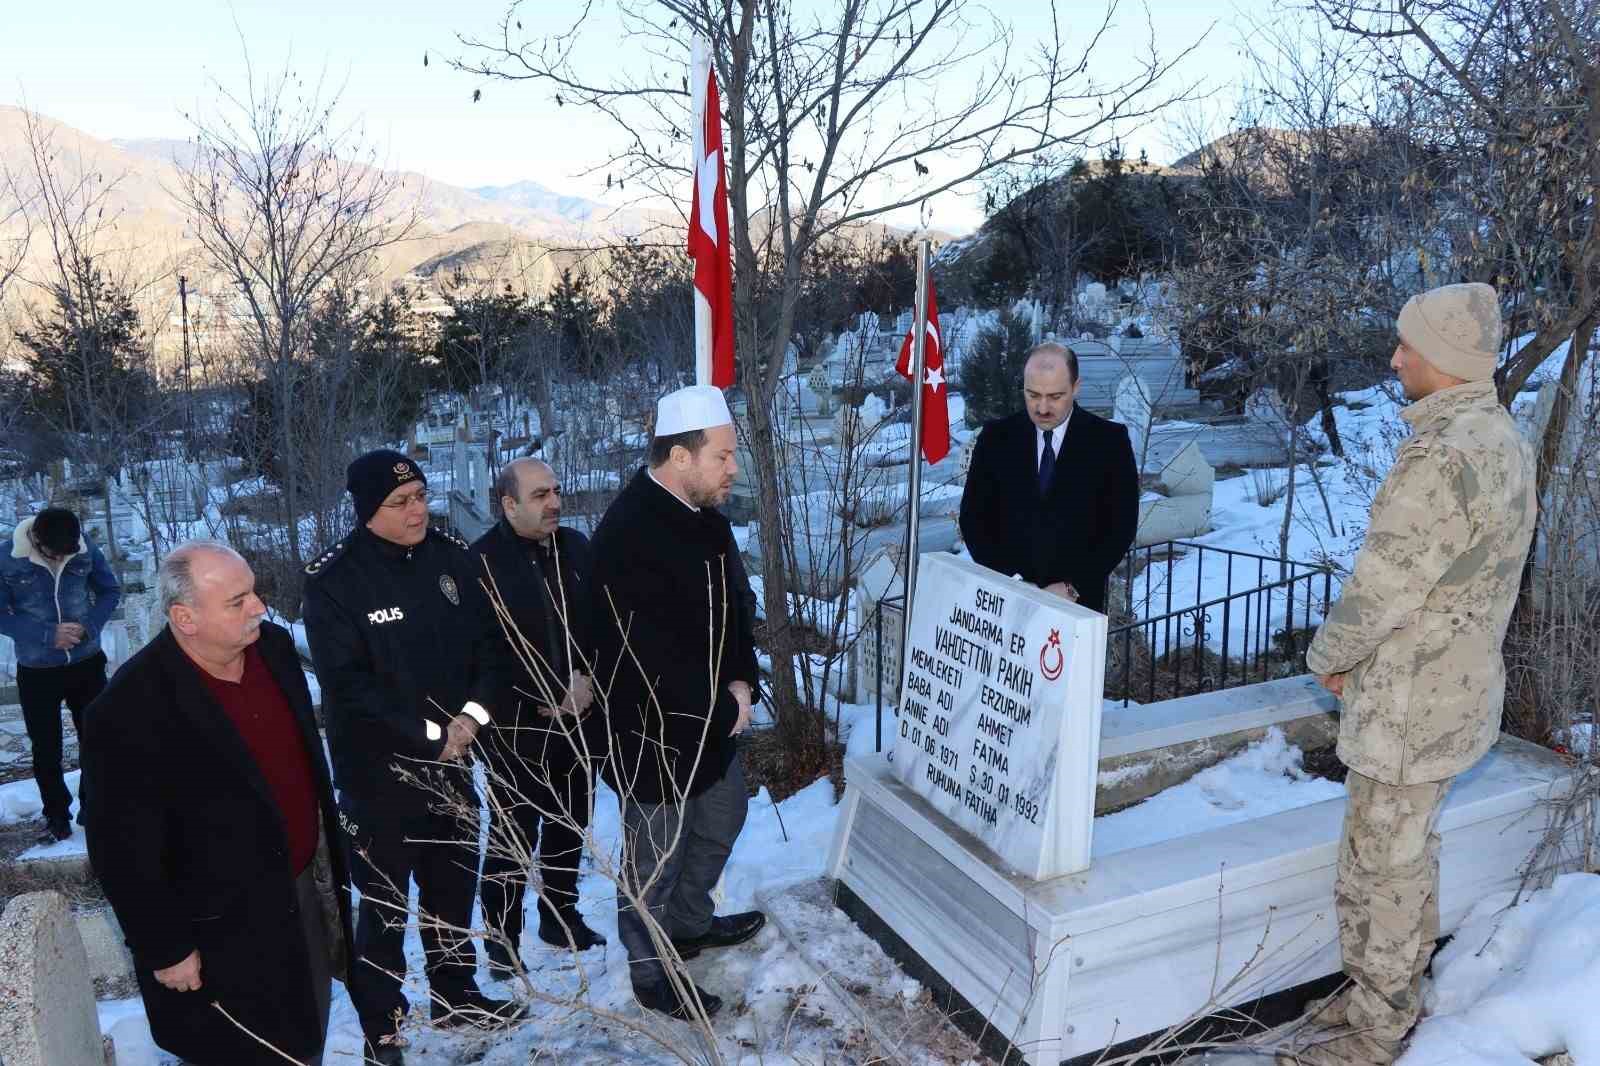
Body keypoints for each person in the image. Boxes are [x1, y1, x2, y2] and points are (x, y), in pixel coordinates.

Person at [1291, 283, 1536, 1066]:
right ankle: (1382, 992)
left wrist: (1329, 658)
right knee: (1405, 850)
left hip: (1408, 701)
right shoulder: (1501, 435)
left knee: (1383, 863)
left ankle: (1376, 1029)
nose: (1396, 358)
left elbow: (1381, 586)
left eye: (1410, 347)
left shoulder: (1443, 457)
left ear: (1448, 360)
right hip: (1452, 693)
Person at [81, 542, 350, 1066]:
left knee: (304, 1036)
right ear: (185, 618)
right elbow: (120, 847)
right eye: (238, 601)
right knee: (241, 1051)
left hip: (297, 896)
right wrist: (165, 947)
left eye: (254, 592)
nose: (260, 608)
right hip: (213, 931)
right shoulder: (128, 708)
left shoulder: (272, 651)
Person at [301, 450, 521, 1066]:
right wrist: (434, 735)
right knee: (385, 909)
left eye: (421, 495)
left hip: (454, 761)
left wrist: (470, 723)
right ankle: (384, 1028)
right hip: (380, 777)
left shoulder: (452, 560)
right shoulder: (334, 582)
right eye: (401, 502)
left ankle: (456, 993)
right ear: (368, 509)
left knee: (453, 889)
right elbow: (351, 688)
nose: (417, 509)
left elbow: (490, 652)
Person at [590, 384, 767, 1021]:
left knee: (722, 819)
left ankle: (690, 925)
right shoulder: (627, 534)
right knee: (653, 861)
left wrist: (744, 680)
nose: (733, 468)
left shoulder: (708, 519)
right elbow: (642, 655)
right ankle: (650, 972)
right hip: (652, 737)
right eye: (722, 456)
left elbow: (736, 612)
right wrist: (724, 708)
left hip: (717, 721)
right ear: (682, 456)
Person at [472, 457, 607, 977]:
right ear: (509, 505)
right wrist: (546, 694)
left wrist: (588, 680)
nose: (554, 502)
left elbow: (602, 623)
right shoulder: (481, 564)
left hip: (580, 718)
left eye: (556, 490)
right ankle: (502, 941)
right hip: (515, 728)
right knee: (512, 837)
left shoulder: (575, 548)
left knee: (570, 822)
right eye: (539, 495)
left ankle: (560, 916)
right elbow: (481, 653)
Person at [959, 341, 1140, 613]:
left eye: (1055, 396)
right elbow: (974, 520)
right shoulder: (996, 439)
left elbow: (1120, 527)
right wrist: (1014, 581)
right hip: (1008, 603)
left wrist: (1072, 585)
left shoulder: (1109, 442)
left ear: (1076, 387)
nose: (1042, 408)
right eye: (1033, 395)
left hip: (1077, 605)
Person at [0, 506, 120, 840]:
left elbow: (110, 591)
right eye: (53, 553)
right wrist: (46, 634)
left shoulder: (84, 547)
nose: (59, 559)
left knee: (97, 738)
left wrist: (90, 626)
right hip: (37, 669)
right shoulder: (8, 557)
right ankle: (56, 815)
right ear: (36, 538)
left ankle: (93, 807)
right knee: (46, 747)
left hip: (87, 662)